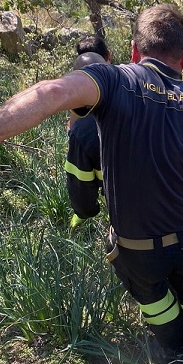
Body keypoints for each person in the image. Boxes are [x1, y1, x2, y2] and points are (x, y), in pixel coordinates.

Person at [0, 4, 183, 364]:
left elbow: (52, 92)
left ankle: (180, 356)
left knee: (154, 298)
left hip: (139, 249)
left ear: (134, 50)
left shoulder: (113, 81)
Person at [65, 52, 108, 230]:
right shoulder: (142, 99)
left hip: (128, 210)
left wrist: (85, 212)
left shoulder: (83, 131)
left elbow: (80, 185)